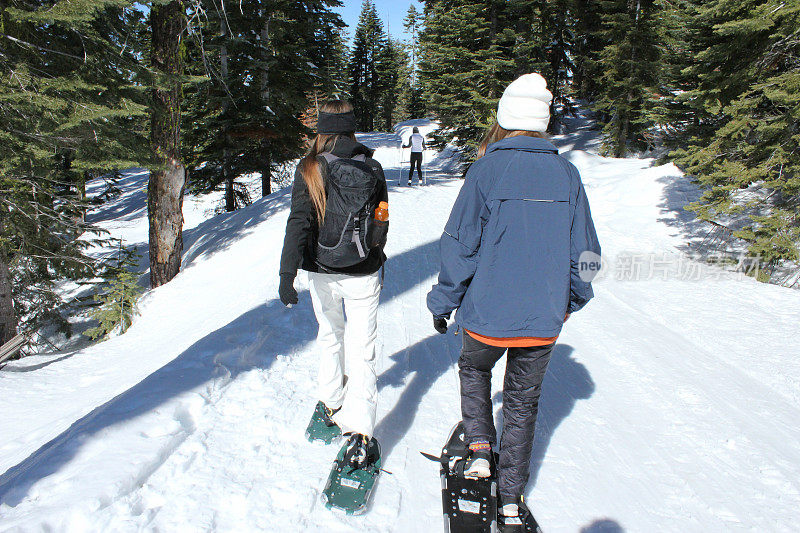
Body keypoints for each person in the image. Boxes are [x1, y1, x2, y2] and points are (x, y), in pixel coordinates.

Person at [426, 73, 601, 530]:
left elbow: (460, 245)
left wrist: (443, 300)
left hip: (487, 312)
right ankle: (509, 498)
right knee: (524, 403)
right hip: (542, 319)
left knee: (474, 369)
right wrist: (572, 298)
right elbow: (587, 253)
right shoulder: (567, 173)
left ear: (505, 119)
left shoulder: (486, 169)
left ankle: (480, 449)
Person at [279, 99, 388, 467]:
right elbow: (382, 220)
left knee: (330, 335)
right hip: (364, 273)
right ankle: (361, 430)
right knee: (363, 349)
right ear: (352, 128)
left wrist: (287, 274)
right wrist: (371, 254)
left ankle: (329, 400)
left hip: (322, 271)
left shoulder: (310, 167)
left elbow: (299, 221)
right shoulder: (372, 166)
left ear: (322, 130)